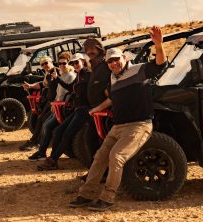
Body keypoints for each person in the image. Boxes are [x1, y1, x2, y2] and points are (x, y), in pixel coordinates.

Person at [70, 26, 167, 212]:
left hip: (138, 125)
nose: (113, 64)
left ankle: (107, 198)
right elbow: (113, 98)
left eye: (116, 60)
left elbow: (160, 64)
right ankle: (86, 194)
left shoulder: (139, 70)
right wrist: (95, 109)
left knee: (117, 157)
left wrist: (159, 45)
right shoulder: (114, 78)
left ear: (125, 58)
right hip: (118, 126)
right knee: (99, 157)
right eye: (110, 62)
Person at [37, 53, 91, 170]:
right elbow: (70, 87)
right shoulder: (79, 75)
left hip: (85, 110)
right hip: (78, 109)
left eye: (77, 62)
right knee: (58, 131)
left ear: (83, 61)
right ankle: (52, 159)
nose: (75, 65)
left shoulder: (87, 74)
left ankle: (53, 160)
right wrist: (57, 79)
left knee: (67, 133)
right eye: (73, 63)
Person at [28, 52, 76, 161]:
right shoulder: (60, 75)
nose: (62, 66)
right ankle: (41, 151)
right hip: (56, 106)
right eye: (60, 64)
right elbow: (56, 91)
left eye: (64, 63)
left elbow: (68, 91)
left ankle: (45, 153)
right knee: (45, 124)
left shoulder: (70, 75)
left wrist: (56, 102)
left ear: (69, 63)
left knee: (48, 126)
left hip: (65, 108)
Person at [19, 56, 56, 151]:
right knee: (41, 120)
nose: (45, 65)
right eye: (42, 64)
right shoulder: (48, 73)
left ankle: (36, 143)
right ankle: (35, 141)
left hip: (56, 102)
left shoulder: (56, 72)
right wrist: (30, 86)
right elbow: (42, 84)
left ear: (51, 61)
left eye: (46, 63)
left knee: (43, 121)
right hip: (49, 101)